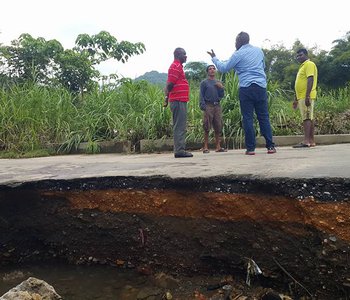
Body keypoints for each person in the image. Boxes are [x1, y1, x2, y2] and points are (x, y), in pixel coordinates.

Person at [207, 32, 276, 155]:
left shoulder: (238, 54)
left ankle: (250, 149)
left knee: (248, 118)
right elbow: (263, 66)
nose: (235, 43)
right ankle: (270, 146)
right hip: (260, 87)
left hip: (246, 88)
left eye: (235, 41)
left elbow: (223, 68)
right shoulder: (259, 51)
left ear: (239, 41)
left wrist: (214, 58)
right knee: (264, 117)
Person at [164, 47, 193, 158]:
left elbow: (169, 84)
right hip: (178, 100)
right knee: (179, 126)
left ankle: (180, 149)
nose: (186, 56)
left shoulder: (177, 67)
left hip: (179, 100)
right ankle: (179, 150)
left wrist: (167, 98)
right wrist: (167, 97)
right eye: (184, 54)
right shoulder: (175, 66)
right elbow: (170, 84)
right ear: (178, 55)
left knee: (180, 125)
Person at [292, 48, 318, 148]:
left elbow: (310, 79)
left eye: (301, 55)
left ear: (306, 55)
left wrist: (307, 95)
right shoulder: (301, 67)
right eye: (297, 56)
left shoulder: (309, 64)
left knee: (307, 118)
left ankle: (306, 141)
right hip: (301, 96)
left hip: (306, 95)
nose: (298, 57)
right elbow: (298, 84)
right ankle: (311, 141)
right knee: (308, 118)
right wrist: (295, 99)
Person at [199, 64, 226, 153]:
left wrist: (221, 88)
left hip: (217, 105)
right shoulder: (204, 83)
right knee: (207, 126)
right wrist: (203, 105)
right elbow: (201, 95)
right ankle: (205, 146)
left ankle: (218, 146)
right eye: (210, 69)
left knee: (218, 125)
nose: (212, 70)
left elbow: (221, 95)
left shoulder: (218, 82)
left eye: (213, 68)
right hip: (208, 105)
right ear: (207, 72)